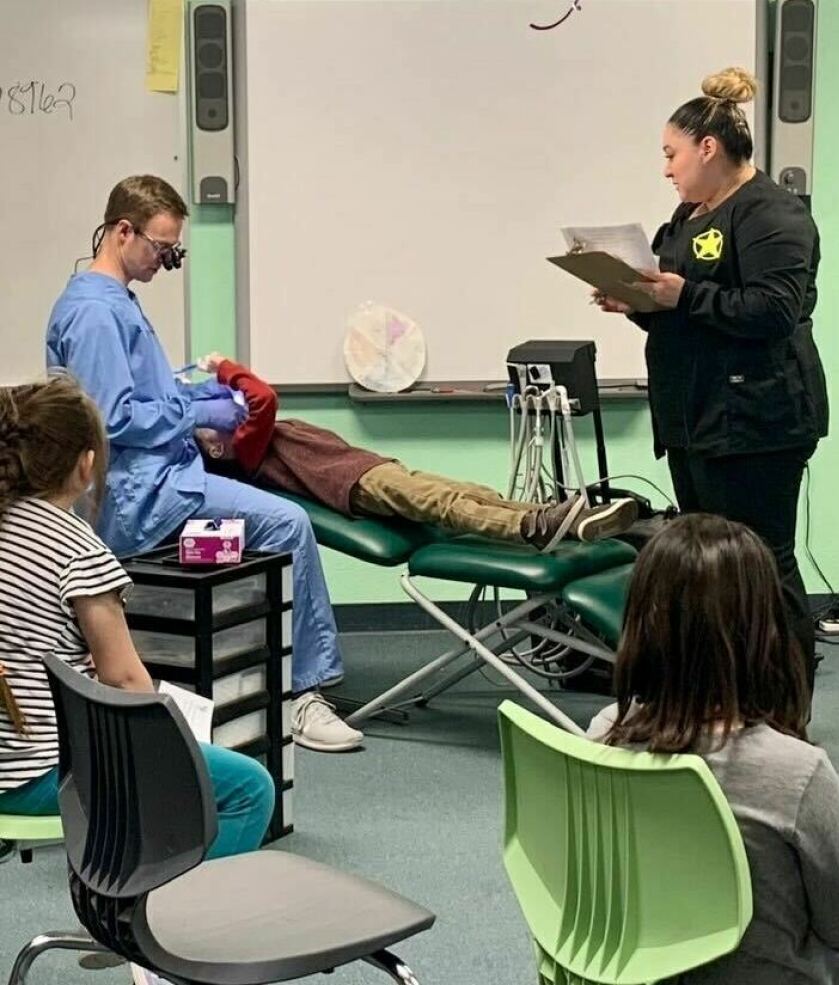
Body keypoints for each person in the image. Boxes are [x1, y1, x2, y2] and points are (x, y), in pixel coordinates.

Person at [45, 175, 361, 753]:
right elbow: (111, 421)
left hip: (166, 479)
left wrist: (191, 394)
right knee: (287, 523)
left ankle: (268, 672)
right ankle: (305, 696)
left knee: (272, 483)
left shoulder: (111, 302)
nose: (166, 262)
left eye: (174, 251)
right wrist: (192, 413)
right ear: (122, 232)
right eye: (161, 249)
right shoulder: (94, 314)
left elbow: (140, 394)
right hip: (144, 500)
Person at [594, 67, 828, 689]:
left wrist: (682, 298)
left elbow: (774, 311)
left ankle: (787, 702)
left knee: (760, 562)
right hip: (695, 417)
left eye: (671, 154)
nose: (665, 169)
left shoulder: (773, 215)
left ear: (708, 147)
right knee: (709, 567)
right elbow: (688, 314)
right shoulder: (686, 218)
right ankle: (722, 694)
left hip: (759, 420)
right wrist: (640, 305)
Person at [586, 513, 839, 984]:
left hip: (644, 972)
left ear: (640, 619)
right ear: (764, 629)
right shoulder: (796, 773)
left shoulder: (603, 735)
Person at [0, 377, 274, 859]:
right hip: (36, 775)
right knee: (250, 788)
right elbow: (126, 681)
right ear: (86, 463)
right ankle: (174, 917)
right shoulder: (78, 551)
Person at [191, 355, 639, 549]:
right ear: (215, 444)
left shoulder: (248, 439)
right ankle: (532, 526)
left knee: (467, 489)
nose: (232, 409)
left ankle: (566, 520)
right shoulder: (246, 451)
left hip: (369, 469)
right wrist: (228, 370)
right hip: (353, 484)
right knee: (442, 503)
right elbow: (263, 397)